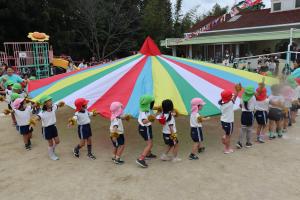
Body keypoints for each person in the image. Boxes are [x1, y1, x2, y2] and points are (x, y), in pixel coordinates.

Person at [31, 95, 65, 160]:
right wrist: (33, 120)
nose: (51, 102)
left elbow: (58, 105)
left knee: (57, 141)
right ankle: (51, 154)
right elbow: (38, 117)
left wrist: (60, 104)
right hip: (46, 129)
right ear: (44, 103)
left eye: (50, 100)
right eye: (49, 101)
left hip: (53, 127)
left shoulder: (53, 107)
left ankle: (52, 150)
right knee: (50, 143)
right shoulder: (42, 112)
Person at [219, 84, 242, 154]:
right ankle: (227, 149)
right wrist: (237, 91)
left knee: (227, 134)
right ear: (229, 98)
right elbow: (234, 97)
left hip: (223, 121)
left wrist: (236, 92)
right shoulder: (230, 103)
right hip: (229, 122)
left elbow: (232, 98)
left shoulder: (221, 103)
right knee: (229, 136)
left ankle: (224, 137)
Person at [136, 95, 157, 168]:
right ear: (147, 103)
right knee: (150, 144)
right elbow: (144, 121)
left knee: (150, 141)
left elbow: (150, 113)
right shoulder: (143, 112)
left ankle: (148, 154)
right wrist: (151, 118)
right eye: (151, 103)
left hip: (146, 128)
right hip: (145, 128)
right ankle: (141, 159)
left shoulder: (145, 109)